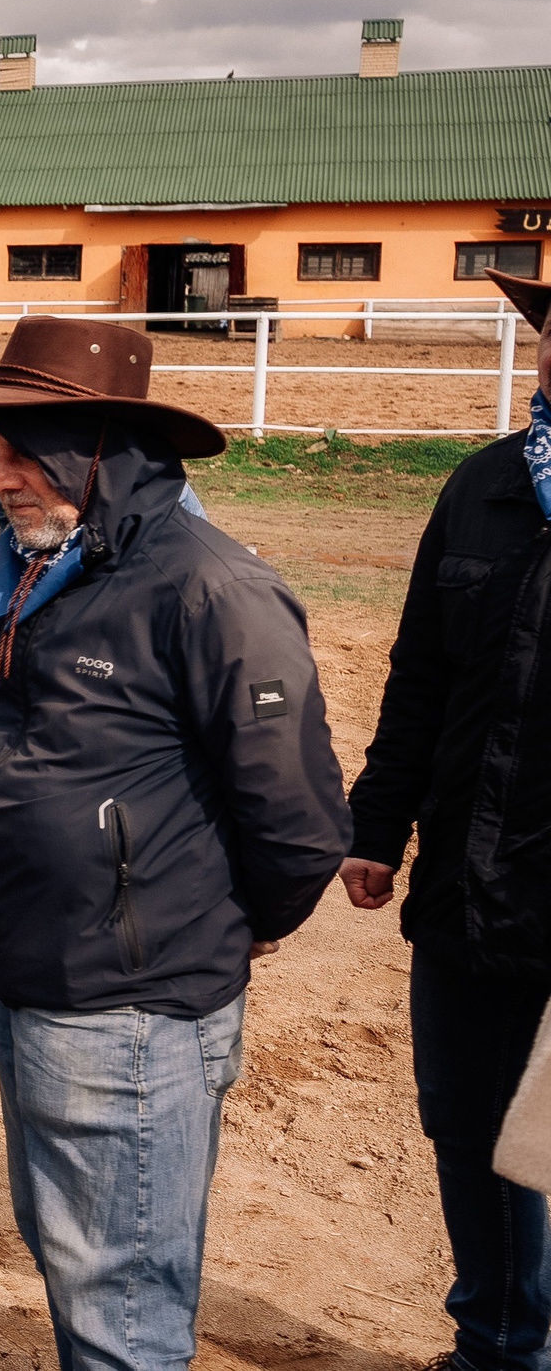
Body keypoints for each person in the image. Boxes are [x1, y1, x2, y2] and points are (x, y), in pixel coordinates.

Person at [0, 316, 348, 1371]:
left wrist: (209, 925)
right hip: (37, 970)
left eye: (19, 449)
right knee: (80, 1257)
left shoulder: (211, 588)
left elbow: (295, 817)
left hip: (133, 998)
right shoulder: (51, 563)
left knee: (123, 1300)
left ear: (93, 450)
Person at [342, 265, 551, 1371]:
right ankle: (498, 1342)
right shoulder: (479, 487)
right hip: (471, 884)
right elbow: (419, 671)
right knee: (471, 1126)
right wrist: (376, 824)